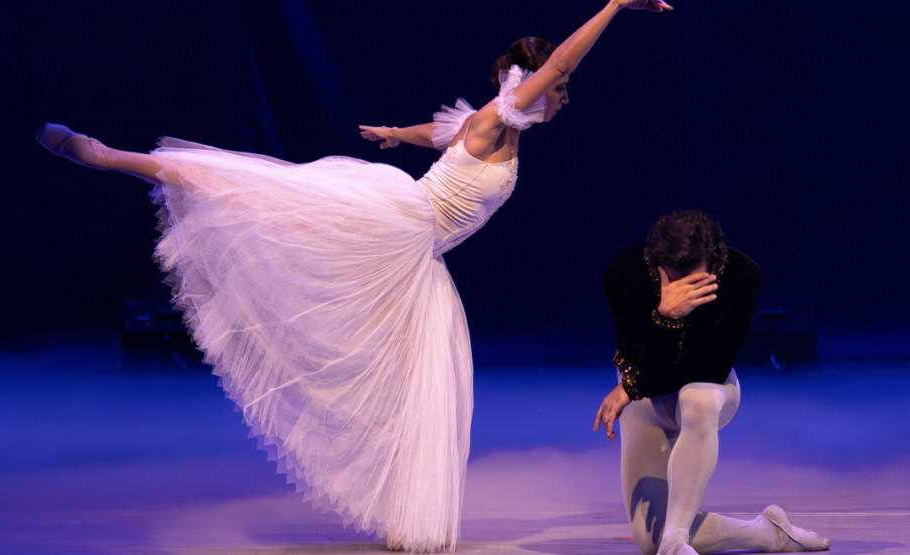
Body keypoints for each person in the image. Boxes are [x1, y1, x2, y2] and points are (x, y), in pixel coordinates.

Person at [37, 0, 672, 551]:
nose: (564, 97)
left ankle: (405, 515)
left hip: (420, 256)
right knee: (263, 197)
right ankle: (111, 156)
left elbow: (441, 134)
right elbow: (558, 64)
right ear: (529, 83)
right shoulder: (498, 118)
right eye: (559, 89)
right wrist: (615, 6)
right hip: (401, 223)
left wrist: (396, 132)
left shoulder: (490, 127)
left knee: (417, 381)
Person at [594, 210, 831, 555]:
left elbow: (709, 367)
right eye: (673, 273)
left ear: (715, 261)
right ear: (656, 260)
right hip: (645, 399)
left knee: (697, 398)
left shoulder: (740, 274)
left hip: (709, 390)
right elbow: (639, 353)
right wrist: (665, 316)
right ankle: (769, 534)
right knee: (648, 541)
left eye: (694, 275)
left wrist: (632, 384)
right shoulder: (626, 271)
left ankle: (676, 539)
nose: (682, 285)